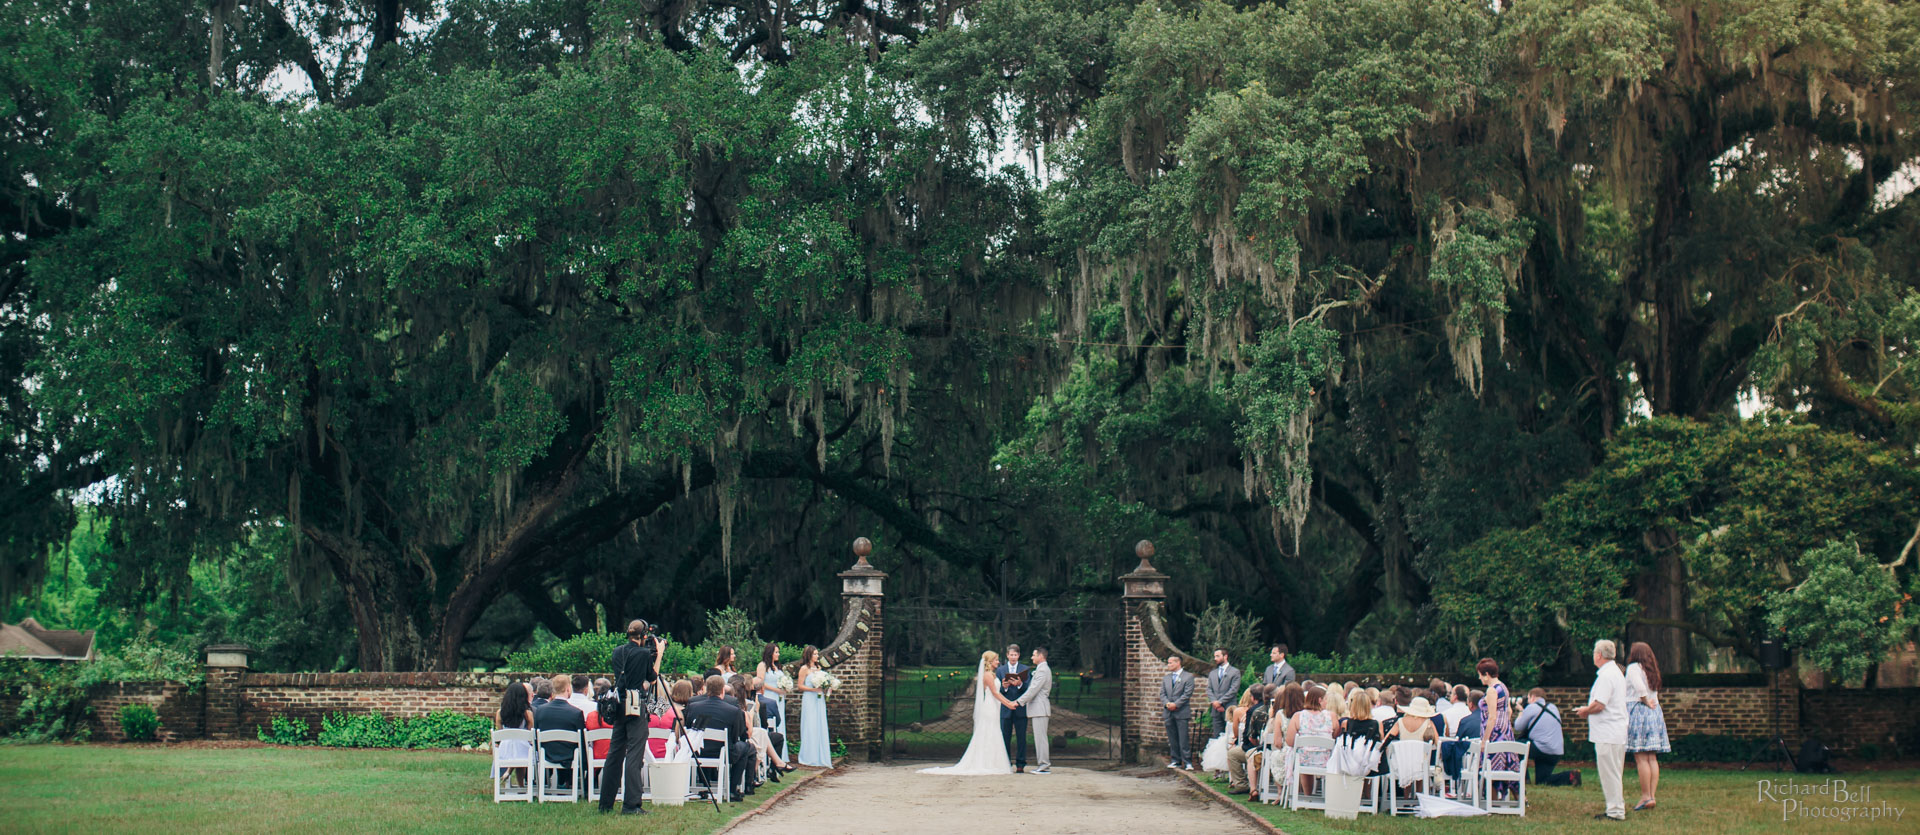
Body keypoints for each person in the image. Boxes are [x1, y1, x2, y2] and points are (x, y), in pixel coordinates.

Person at [598, 619, 662, 816]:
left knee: (615, 753)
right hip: (635, 706)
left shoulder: (618, 651)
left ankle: (605, 803)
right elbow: (652, 678)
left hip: (618, 705)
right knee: (634, 755)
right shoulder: (644, 654)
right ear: (643, 636)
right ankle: (631, 804)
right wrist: (658, 655)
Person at [919, 650, 1018, 775]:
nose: (998, 662)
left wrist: (1007, 699)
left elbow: (998, 692)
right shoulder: (987, 675)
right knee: (990, 731)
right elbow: (995, 693)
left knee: (994, 731)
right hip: (990, 707)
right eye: (996, 660)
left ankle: (992, 761)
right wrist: (1009, 703)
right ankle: (987, 762)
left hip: (994, 705)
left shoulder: (992, 674)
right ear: (990, 661)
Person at [1575, 639, 1630, 822]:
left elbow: (1599, 704)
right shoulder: (1615, 672)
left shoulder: (1607, 676)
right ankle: (1615, 807)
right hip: (1615, 731)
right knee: (1614, 772)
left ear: (1599, 655)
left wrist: (1585, 711)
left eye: (1594, 653)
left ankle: (1615, 811)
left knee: (1610, 773)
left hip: (1608, 732)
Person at [683, 676, 753, 802]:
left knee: (707, 744)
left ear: (706, 689)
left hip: (698, 751)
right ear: (722, 691)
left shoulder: (693, 707)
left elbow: (688, 729)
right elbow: (737, 735)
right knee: (745, 747)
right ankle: (732, 789)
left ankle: (706, 785)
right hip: (724, 752)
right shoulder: (733, 711)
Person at [1626, 641, 1671, 810]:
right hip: (1654, 712)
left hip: (1639, 711)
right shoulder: (1652, 670)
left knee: (1641, 757)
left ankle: (1645, 796)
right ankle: (1651, 795)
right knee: (1652, 757)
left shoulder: (1633, 668)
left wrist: (1644, 700)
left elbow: (1640, 689)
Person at [534, 677, 588, 789]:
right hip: (569, 756)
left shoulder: (540, 710)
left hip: (546, 754)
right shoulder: (576, 713)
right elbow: (582, 741)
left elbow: (535, 735)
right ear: (568, 689)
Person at [1477, 658, 1519, 801]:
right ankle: (1519, 798)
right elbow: (1509, 711)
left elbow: (1492, 717)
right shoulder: (1503, 687)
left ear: (1486, 674)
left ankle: (1493, 800)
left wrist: (1485, 740)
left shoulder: (1491, 690)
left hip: (1494, 733)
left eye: (1480, 674)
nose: (1479, 678)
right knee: (1507, 764)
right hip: (1505, 729)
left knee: (1492, 765)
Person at [1516, 687, 1576, 786]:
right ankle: (1571, 776)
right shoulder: (1553, 707)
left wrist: (1521, 711)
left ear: (1533, 697)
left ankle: (1524, 779)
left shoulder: (1532, 707)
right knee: (1543, 780)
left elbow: (1518, 726)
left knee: (1515, 747)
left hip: (1541, 748)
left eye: (1528, 698)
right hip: (1555, 752)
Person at [1286, 685, 1335, 795]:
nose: (1327, 702)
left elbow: (1289, 741)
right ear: (1319, 700)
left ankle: (1307, 795)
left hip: (1304, 760)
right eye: (1326, 699)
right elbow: (1336, 736)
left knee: (1302, 754)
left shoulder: (1298, 716)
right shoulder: (1331, 716)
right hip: (1326, 760)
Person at [1014, 647, 1055, 774]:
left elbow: (1033, 690)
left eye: (1034, 655)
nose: (1032, 657)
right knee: (1039, 738)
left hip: (1040, 708)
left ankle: (1044, 766)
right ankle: (1042, 765)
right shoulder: (1041, 669)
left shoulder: (1043, 670)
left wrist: (1018, 702)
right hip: (1038, 708)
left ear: (1040, 656)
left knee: (1041, 738)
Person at [751, 676, 796, 778]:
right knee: (778, 737)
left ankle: (775, 766)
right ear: (763, 688)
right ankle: (773, 767)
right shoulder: (770, 702)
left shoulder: (745, 701)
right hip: (759, 736)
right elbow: (777, 722)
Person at [494, 681, 535, 790]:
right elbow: (529, 733)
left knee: (515, 748)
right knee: (521, 748)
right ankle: (521, 785)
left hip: (505, 749)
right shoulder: (527, 713)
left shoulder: (500, 713)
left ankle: (508, 771)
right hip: (523, 749)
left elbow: (500, 732)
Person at [796, 646, 833, 767]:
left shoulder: (819, 668)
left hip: (819, 699)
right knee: (810, 725)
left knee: (819, 724)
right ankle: (808, 756)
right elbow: (800, 686)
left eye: (818, 654)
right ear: (809, 655)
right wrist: (813, 689)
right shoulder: (804, 669)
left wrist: (827, 687)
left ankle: (819, 755)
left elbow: (823, 683)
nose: (817, 656)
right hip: (809, 699)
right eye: (815, 654)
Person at [998, 644, 1032, 773]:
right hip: (1005, 708)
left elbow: (1029, 688)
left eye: (1015, 655)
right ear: (1007, 655)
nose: (1013, 657)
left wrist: (1020, 684)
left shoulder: (1025, 669)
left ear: (1019, 656)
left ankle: (1020, 763)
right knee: (1005, 736)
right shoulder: (1001, 670)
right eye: (1011, 655)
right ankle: (1005, 762)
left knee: (1021, 737)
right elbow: (996, 690)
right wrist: (1004, 687)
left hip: (1020, 708)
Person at [1160, 655, 1196, 769]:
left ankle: (1188, 762)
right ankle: (1176, 760)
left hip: (1181, 711)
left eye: (1171, 663)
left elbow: (1187, 694)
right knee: (1172, 738)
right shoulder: (1166, 678)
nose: (1168, 665)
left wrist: (1176, 704)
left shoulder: (1188, 677)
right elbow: (1162, 693)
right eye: (1168, 663)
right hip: (1168, 712)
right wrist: (1167, 704)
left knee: (1183, 738)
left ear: (1178, 663)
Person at [755, 643, 789, 761]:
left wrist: (785, 688)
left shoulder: (777, 667)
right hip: (768, 695)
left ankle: (780, 754)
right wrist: (776, 690)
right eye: (776, 652)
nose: (778, 654)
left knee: (779, 720)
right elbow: (760, 682)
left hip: (779, 697)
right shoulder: (762, 665)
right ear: (770, 653)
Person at [1208, 648, 1242, 739]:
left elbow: (1233, 690)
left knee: (1229, 735)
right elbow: (1209, 689)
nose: (1215, 658)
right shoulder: (1212, 673)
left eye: (1218, 656)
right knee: (1216, 736)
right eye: (1215, 656)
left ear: (1225, 656)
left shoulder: (1235, 672)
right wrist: (1214, 702)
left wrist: (1220, 702)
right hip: (1215, 709)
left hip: (1229, 708)